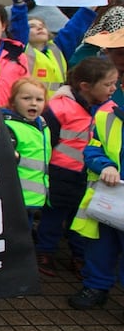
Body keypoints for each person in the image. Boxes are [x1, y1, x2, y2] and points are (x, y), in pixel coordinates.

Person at [37, 57, 118, 276]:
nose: (113, 89)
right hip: (61, 172)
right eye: (108, 84)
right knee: (54, 215)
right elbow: (47, 141)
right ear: (85, 86)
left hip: (88, 174)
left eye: (115, 83)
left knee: (82, 217)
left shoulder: (109, 110)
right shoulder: (60, 107)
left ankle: (78, 256)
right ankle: (45, 252)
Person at [68, 78, 124, 310]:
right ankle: (96, 287)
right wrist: (105, 165)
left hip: (111, 196)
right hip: (109, 197)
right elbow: (92, 149)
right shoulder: (106, 116)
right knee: (100, 246)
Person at [2, 77, 51, 226]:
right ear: (13, 101)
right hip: (13, 199)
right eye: (26, 98)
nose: (33, 103)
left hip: (34, 198)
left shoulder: (42, 125)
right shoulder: (9, 126)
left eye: (39, 99)